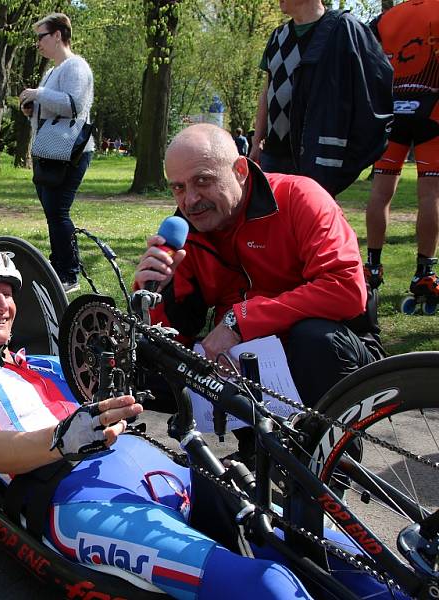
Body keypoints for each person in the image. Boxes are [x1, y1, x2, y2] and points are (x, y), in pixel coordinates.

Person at [0, 245, 392, 600]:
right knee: (266, 585)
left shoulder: (47, 363)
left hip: (168, 474)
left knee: (342, 555)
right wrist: (64, 438)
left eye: (6, 294)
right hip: (83, 499)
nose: (2, 305)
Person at [135, 124, 384, 411]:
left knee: (314, 339)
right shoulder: (186, 231)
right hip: (248, 366)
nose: (190, 200)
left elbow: (346, 290)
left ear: (240, 170)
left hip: (338, 351)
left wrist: (241, 320)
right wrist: (152, 295)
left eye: (203, 181)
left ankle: (335, 455)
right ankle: (252, 453)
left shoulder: (299, 197)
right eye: (178, 187)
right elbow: (173, 341)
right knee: (139, 369)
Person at [248, 0, 393, 197]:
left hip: (314, 155)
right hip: (273, 154)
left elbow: (374, 90)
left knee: (310, 217)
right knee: (273, 219)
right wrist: (257, 141)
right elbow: (268, 89)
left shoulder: (341, 31)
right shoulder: (277, 36)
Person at [364, 0, 439, 302]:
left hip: (392, 109)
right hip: (432, 110)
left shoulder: (387, 17)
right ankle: (425, 272)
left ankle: (372, 266)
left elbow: (368, 62)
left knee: (381, 191)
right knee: (431, 193)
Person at [19, 13, 94, 293]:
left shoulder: (76, 67)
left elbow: (74, 106)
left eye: (41, 36)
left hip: (71, 153)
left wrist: (38, 95)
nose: (37, 43)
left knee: (58, 210)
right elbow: (49, 111)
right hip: (50, 151)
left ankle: (70, 272)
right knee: (52, 212)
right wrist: (31, 108)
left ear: (58, 35)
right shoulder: (51, 72)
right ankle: (59, 264)